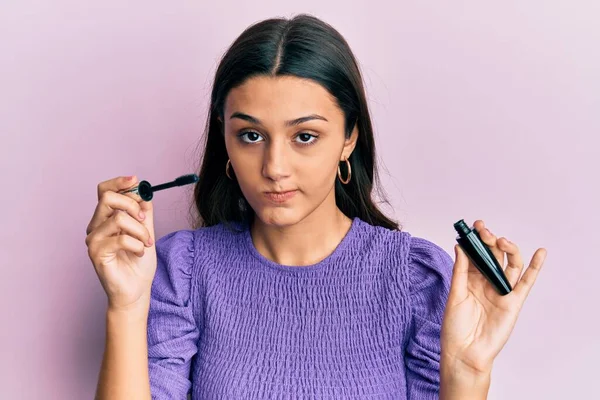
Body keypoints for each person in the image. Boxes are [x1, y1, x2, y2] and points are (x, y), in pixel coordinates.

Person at [85, 14, 547, 399]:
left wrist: (467, 374)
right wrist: (125, 306)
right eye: (250, 135)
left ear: (349, 139)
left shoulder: (414, 278)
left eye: (304, 136)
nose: (274, 167)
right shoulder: (182, 272)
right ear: (224, 137)